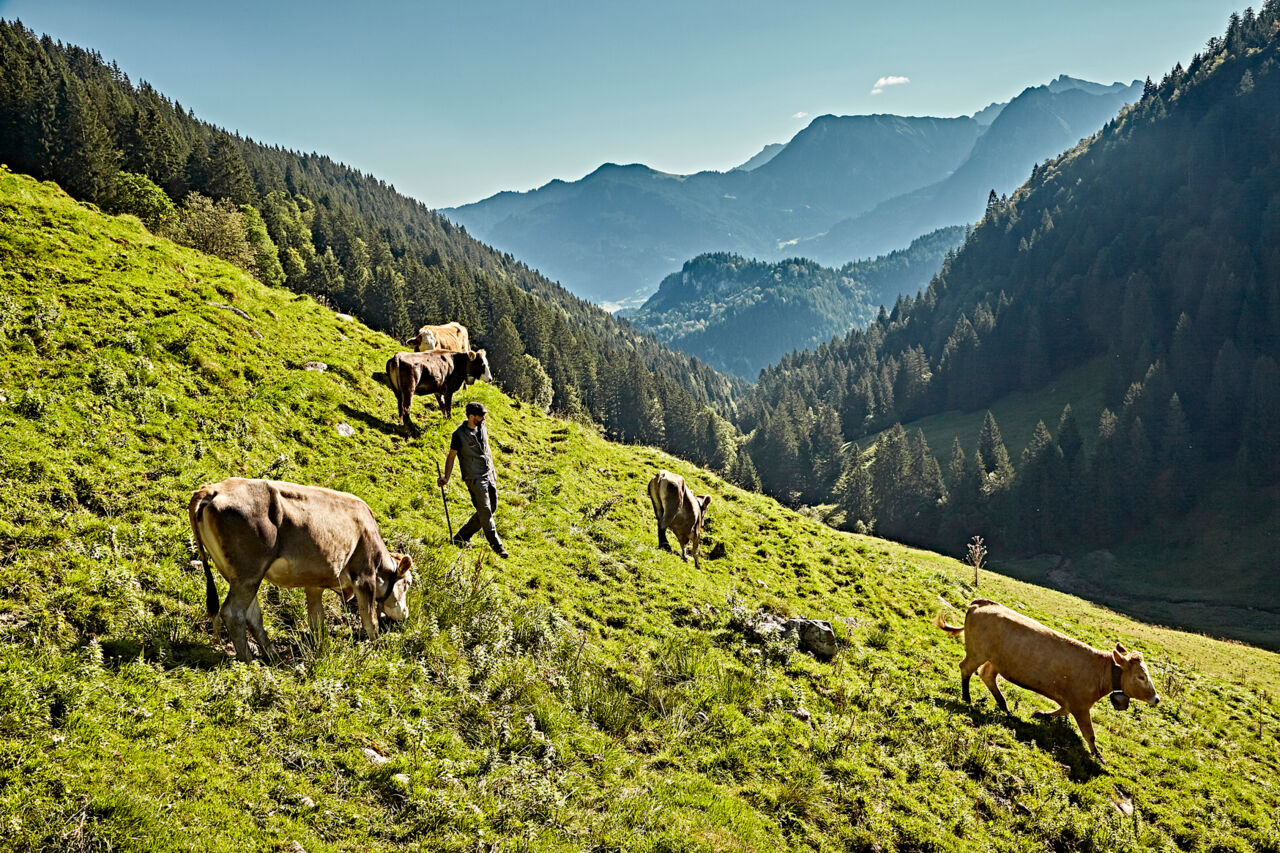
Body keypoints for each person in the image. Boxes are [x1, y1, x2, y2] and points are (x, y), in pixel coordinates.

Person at [438, 401, 508, 558]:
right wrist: (446, 477)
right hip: (474, 478)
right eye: (481, 415)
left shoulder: (482, 427)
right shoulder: (458, 435)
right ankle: (498, 546)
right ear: (471, 416)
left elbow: (487, 449)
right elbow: (451, 457)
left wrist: (493, 470)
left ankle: (461, 537)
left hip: (488, 474)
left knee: (492, 508)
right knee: (485, 510)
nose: (484, 418)